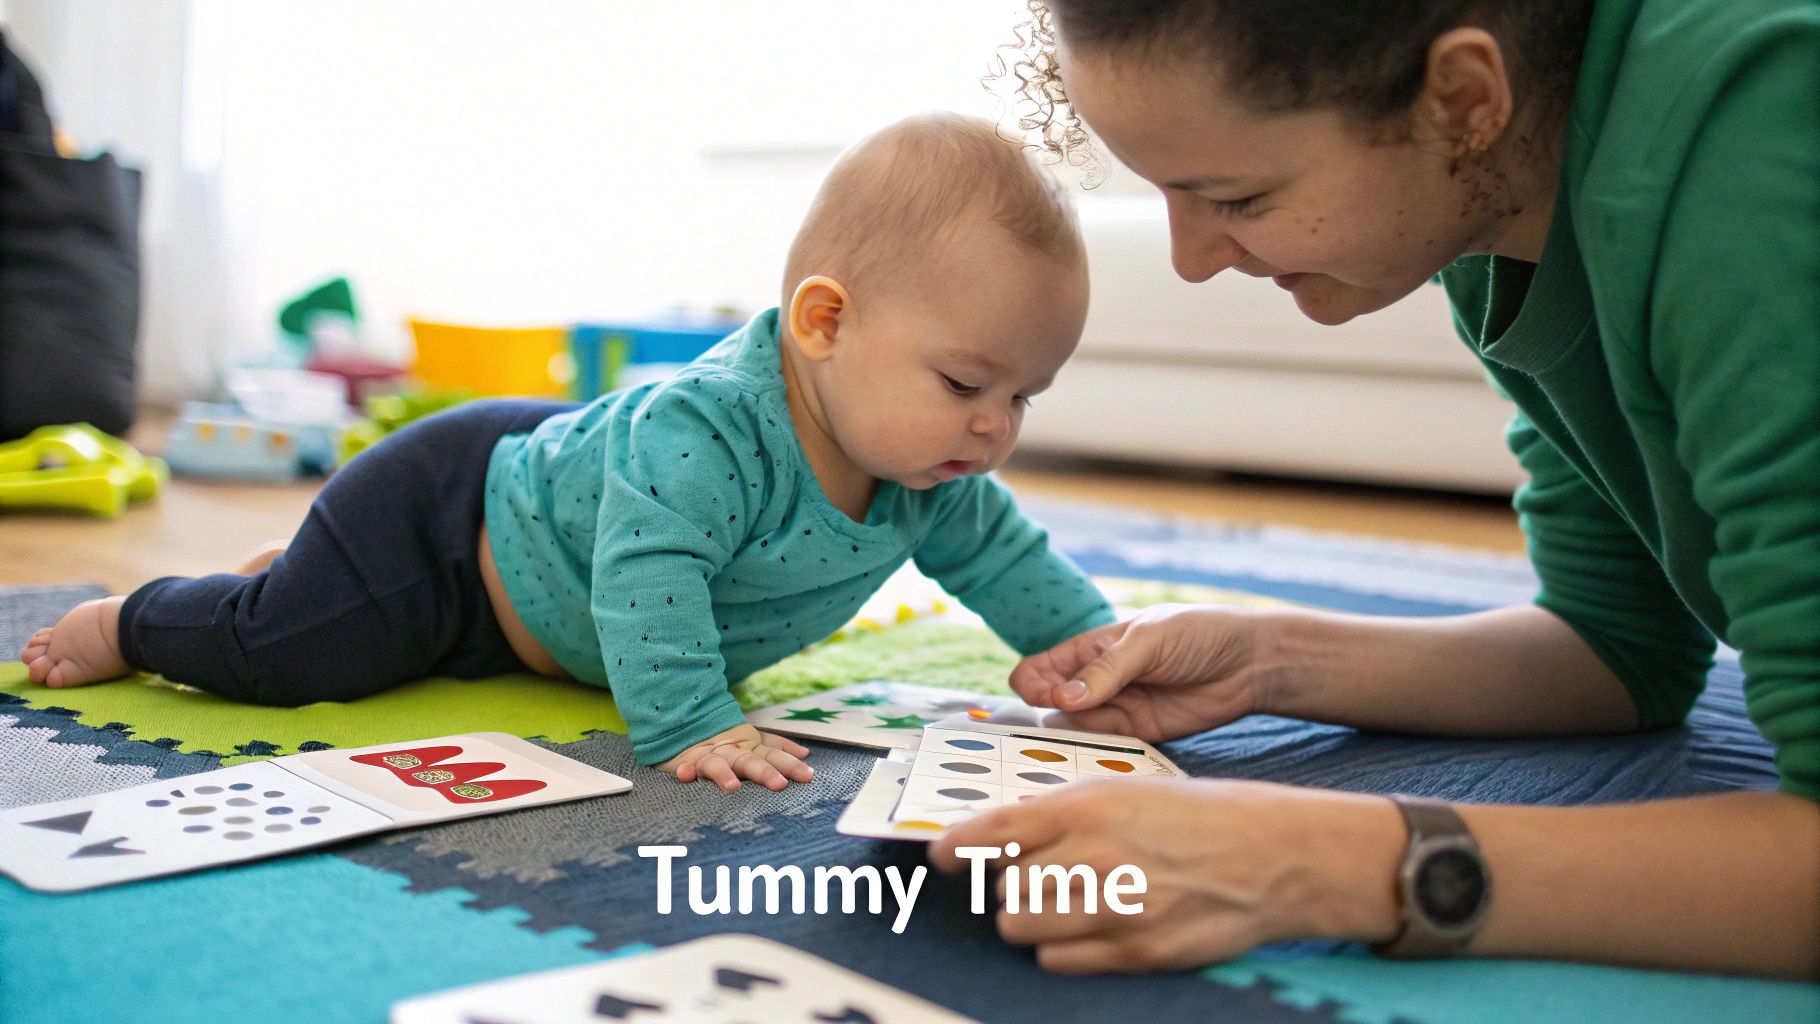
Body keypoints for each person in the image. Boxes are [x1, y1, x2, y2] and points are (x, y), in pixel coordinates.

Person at [931, 0, 1820, 979]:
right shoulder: (1500, 208)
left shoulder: (1758, 137)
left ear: (1462, 99)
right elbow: (1620, 647)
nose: (1190, 261)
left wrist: (1328, 860)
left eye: (1237, 197)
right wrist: (1267, 661)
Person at [20, 111, 1114, 793]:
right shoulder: (709, 430)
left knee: (344, 615)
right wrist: (691, 721)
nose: (993, 427)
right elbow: (646, 573)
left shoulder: (932, 474)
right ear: (823, 324)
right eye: (967, 384)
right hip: (452, 527)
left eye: (1023, 396)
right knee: (299, 656)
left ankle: (301, 568)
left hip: (529, 619)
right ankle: (138, 617)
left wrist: (1085, 648)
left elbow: (1006, 562)